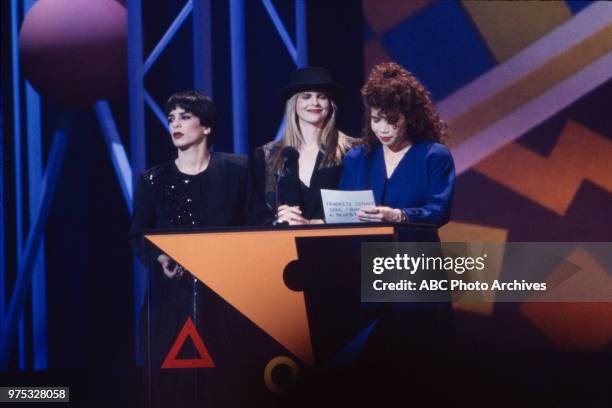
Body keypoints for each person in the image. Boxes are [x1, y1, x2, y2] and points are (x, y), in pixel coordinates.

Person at [129, 90, 247, 407]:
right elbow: (138, 235)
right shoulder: (153, 179)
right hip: (171, 301)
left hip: (225, 300)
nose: (175, 124)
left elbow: (255, 225)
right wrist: (159, 256)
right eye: (171, 118)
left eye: (185, 116)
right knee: (171, 389)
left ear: (206, 127)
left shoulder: (236, 171)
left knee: (223, 387)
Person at [340, 62, 455, 241]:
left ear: (409, 117)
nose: (383, 129)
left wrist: (398, 216)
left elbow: (439, 212)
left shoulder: (433, 156)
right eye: (376, 120)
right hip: (365, 261)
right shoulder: (356, 159)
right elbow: (343, 216)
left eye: (392, 119)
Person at [248, 66, 355, 226]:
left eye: (322, 97)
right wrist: (276, 221)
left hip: (335, 245)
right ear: (294, 103)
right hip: (283, 247)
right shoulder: (267, 155)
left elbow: (359, 209)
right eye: (306, 96)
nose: (315, 102)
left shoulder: (352, 151)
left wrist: (316, 223)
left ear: (330, 104)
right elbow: (255, 213)